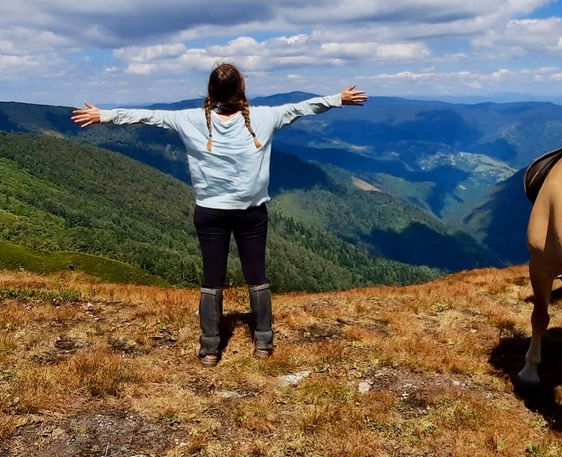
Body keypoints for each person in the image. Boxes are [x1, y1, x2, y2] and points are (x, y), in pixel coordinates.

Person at [71, 63, 367, 366]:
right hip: (251, 211)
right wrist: (337, 98)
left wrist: (104, 116)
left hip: (210, 212)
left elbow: (148, 117)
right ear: (242, 90)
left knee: (212, 278)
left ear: (210, 92)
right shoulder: (265, 117)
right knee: (257, 275)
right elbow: (302, 108)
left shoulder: (188, 119)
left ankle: (210, 348)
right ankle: (263, 341)